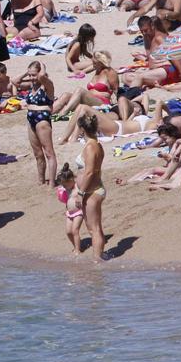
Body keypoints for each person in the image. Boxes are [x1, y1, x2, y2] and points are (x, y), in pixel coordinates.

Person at [75, 112, 107, 261]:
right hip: (95, 189)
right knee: (95, 227)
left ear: (82, 130)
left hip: (91, 191)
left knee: (93, 229)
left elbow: (89, 172)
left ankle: (97, 260)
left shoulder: (90, 147)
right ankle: (99, 256)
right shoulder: (97, 145)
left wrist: (80, 193)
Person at [21, 61, 57, 185]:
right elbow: (15, 81)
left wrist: (42, 65)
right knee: (37, 154)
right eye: (29, 75)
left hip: (42, 121)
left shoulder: (47, 85)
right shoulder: (32, 86)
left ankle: (52, 182)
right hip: (31, 120)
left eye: (34, 75)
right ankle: (41, 181)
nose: (32, 78)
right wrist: (28, 72)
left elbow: (42, 77)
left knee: (49, 153)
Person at [55, 165, 85, 254]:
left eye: (65, 184)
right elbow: (65, 199)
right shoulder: (66, 188)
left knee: (75, 230)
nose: (64, 186)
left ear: (71, 179)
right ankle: (76, 246)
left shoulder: (77, 186)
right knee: (68, 232)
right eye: (63, 185)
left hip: (79, 212)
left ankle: (77, 250)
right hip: (69, 213)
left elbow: (84, 194)